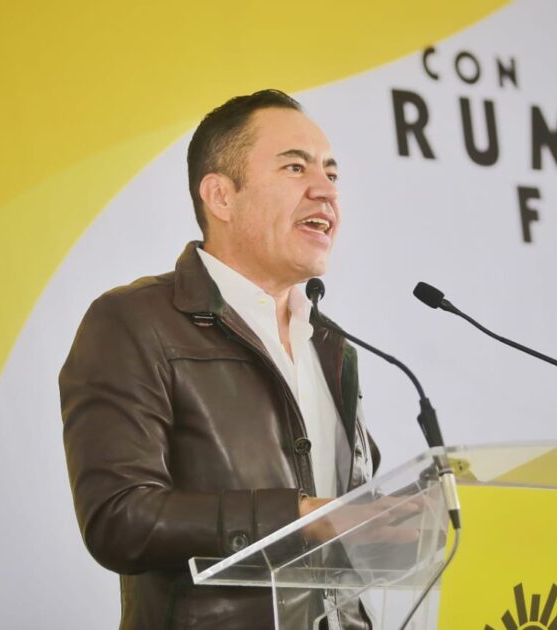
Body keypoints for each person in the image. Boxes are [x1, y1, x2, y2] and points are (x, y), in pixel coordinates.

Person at [60, 90, 379, 629]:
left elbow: (349, 529)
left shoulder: (331, 345)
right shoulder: (134, 322)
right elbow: (119, 520)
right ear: (221, 196)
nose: (325, 190)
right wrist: (297, 516)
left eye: (331, 173)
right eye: (295, 167)